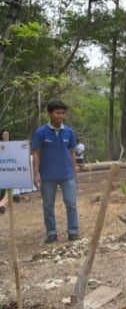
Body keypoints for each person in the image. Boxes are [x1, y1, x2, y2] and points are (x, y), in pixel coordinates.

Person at [32, 101, 80, 243]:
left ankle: (73, 231)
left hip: (67, 175)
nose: (61, 116)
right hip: (47, 176)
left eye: (63, 113)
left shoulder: (69, 132)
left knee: (71, 204)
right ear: (50, 114)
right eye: (57, 113)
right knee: (48, 206)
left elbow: (72, 153)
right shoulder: (40, 133)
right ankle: (51, 233)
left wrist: (74, 171)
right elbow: (36, 153)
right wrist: (36, 174)